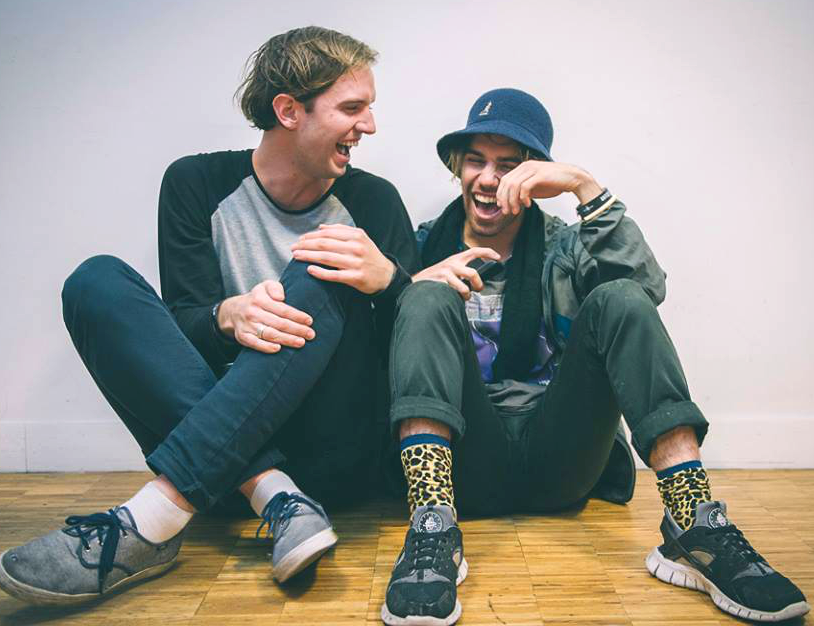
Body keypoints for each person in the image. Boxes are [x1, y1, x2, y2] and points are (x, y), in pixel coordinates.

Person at [0, 26, 418, 605]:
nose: (368, 125)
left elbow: (407, 349)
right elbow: (181, 327)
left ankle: (152, 519)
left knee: (328, 259)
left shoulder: (373, 202)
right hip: (219, 458)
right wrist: (227, 315)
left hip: (330, 456)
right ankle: (274, 493)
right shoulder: (194, 184)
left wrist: (390, 280)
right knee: (95, 281)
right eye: (352, 108)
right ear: (288, 111)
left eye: (368, 108)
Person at [374, 88, 809, 625]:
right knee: (423, 295)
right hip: (465, 463)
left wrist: (585, 186)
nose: (488, 178)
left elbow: (646, 292)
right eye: (476, 161)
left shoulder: (566, 246)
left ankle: (695, 524)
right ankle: (431, 526)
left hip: (561, 456)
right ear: (457, 167)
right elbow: (378, 351)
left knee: (620, 296)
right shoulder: (420, 246)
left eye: (507, 165)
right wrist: (412, 283)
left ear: (534, 175)